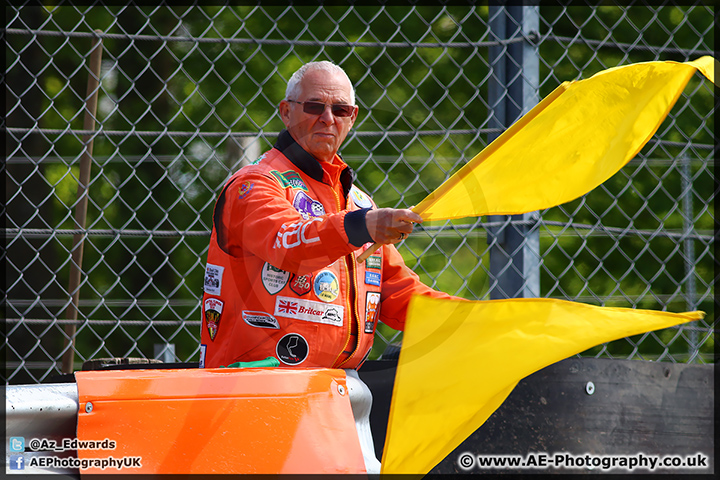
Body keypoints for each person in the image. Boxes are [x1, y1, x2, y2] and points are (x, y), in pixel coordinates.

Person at [199, 61, 456, 370]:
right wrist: (362, 226)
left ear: (353, 117)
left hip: (338, 393)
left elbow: (399, 294)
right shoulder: (254, 184)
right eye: (314, 106)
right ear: (286, 111)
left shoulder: (358, 202)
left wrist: (479, 321)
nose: (327, 119)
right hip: (250, 391)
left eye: (341, 110)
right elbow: (290, 246)